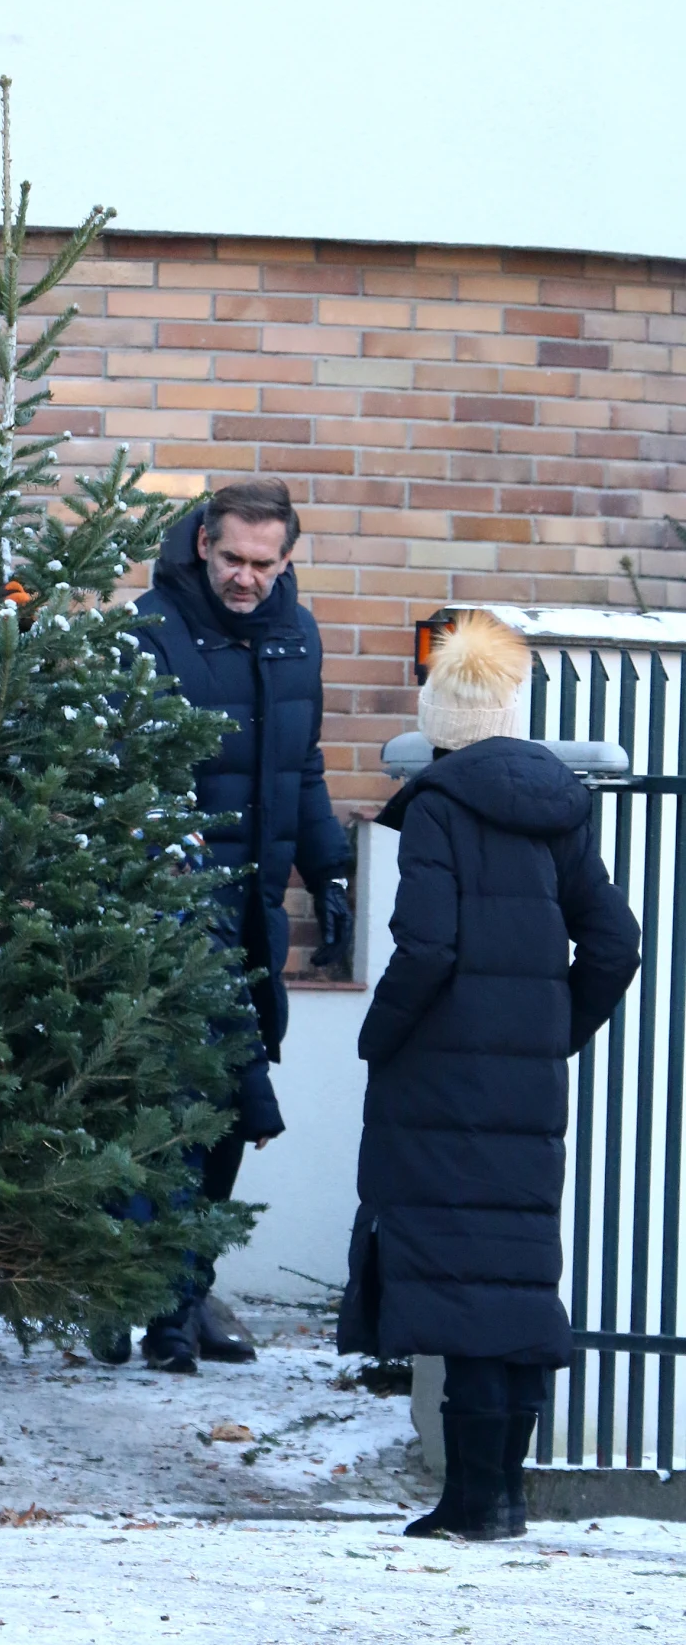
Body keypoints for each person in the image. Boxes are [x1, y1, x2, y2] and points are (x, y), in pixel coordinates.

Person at [338, 612, 641, 1541]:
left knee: (460, 1284)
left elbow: (426, 946)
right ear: (509, 715)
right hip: (524, 1084)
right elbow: (616, 942)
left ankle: (470, 1504)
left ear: (438, 721)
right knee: (511, 1280)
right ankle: (500, 1498)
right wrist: (552, 1031)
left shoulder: (436, 803)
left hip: (441, 1080)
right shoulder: (558, 806)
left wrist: (379, 1037)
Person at [125, 478, 353, 1371]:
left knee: (227, 1113)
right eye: (232, 559)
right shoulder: (151, 630)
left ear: (287, 559)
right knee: (181, 1106)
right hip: (173, 910)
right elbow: (129, 779)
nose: (246, 577)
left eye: (265, 563)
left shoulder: (297, 635)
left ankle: (185, 1287)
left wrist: (329, 872)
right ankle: (158, 1306)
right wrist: (171, 882)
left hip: (257, 913)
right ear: (201, 546)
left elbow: (303, 765)